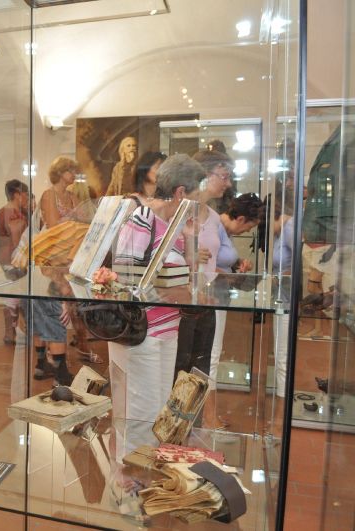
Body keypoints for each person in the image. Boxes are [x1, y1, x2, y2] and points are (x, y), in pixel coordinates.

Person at [108, 154, 203, 459]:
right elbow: (125, 280)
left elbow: (190, 276)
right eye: (196, 196)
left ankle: (148, 470)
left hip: (168, 328)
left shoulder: (175, 224)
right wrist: (170, 289)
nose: (199, 204)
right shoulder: (142, 219)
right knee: (142, 413)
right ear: (180, 192)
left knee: (161, 408)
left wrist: (190, 239)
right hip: (143, 332)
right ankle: (132, 475)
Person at [171, 149, 233, 393]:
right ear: (205, 175)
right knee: (180, 367)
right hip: (181, 303)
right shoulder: (179, 212)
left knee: (201, 367)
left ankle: (194, 413)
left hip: (205, 299)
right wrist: (188, 256)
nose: (228, 183)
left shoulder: (214, 217)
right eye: (223, 176)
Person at [206, 192, 264, 428]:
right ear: (240, 219)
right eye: (249, 226)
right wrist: (231, 275)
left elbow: (218, 261)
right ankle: (208, 416)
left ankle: (208, 414)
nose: (247, 231)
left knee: (214, 355)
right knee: (211, 357)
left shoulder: (224, 231)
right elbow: (205, 265)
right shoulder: (214, 226)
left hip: (219, 297)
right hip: (211, 299)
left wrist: (237, 266)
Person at [33, 156, 81, 384]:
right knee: (53, 310)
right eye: (70, 170)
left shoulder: (73, 197)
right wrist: (73, 226)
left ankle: (46, 363)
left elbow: (81, 224)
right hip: (51, 258)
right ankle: (55, 368)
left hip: (67, 257)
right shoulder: (48, 195)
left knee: (58, 309)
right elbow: (53, 227)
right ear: (60, 172)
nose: (73, 174)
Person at [0, 178, 30, 343]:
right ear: (17, 194)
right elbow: (16, 238)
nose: (27, 198)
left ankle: (13, 331)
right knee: (16, 294)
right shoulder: (12, 212)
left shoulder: (7, 211)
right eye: (25, 194)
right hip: (13, 258)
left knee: (16, 293)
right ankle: (11, 332)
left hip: (8, 257)